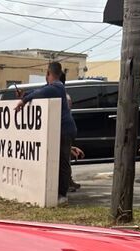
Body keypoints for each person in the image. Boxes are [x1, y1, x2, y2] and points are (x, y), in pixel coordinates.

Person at [15, 62, 85, 201]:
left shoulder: (57, 87)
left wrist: (23, 101)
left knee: (63, 161)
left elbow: (40, 92)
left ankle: (62, 194)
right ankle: (58, 190)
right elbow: (38, 91)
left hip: (64, 129)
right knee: (58, 160)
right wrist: (24, 95)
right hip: (61, 129)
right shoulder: (53, 87)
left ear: (48, 73)